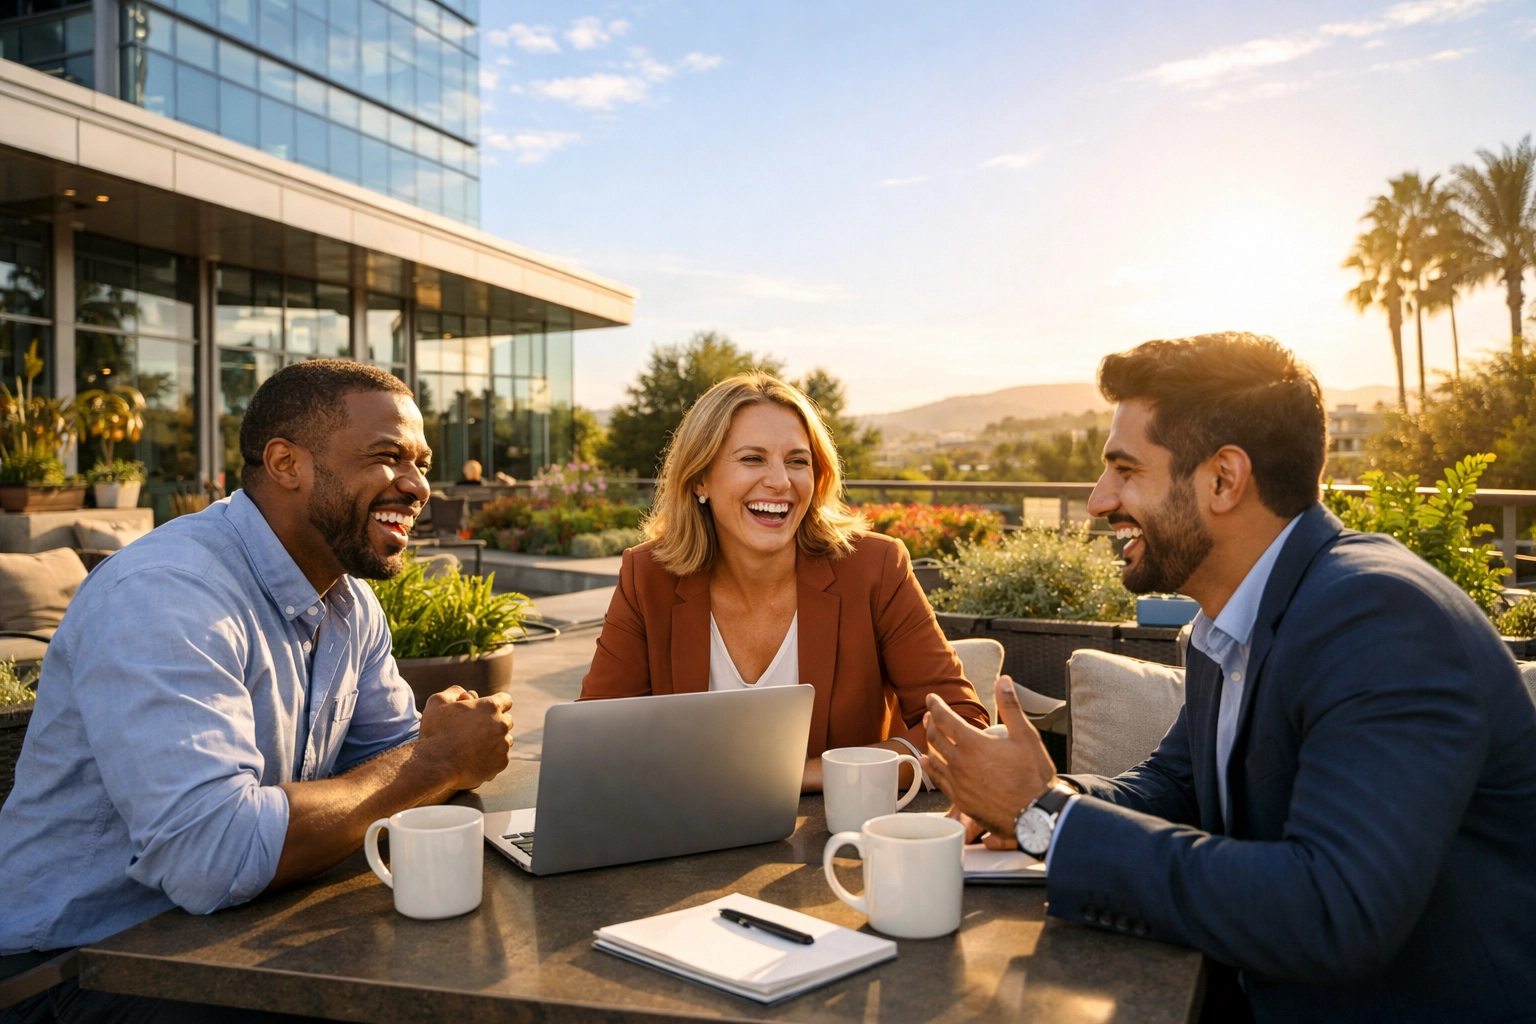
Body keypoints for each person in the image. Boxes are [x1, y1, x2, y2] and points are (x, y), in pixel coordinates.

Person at [921, 333, 1536, 1023]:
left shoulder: (1379, 620)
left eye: (1125, 470)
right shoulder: (1230, 623)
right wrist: (1045, 794)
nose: (1098, 500)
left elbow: (1334, 911)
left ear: (1223, 479)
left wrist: (1049, 821)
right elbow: (1175, 785)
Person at [0, 360, 515, 1022]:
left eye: (421, 463)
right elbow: (215, 856)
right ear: (285, 463)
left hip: (230, 932)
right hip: (74, 968)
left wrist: (435, 753)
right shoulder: (167, 595)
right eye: (388, 458)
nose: (418, 487)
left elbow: (394, 761)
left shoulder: (350, 604)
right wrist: (438, 759)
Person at [579, 373, 988, 791]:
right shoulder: (648, 576)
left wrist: (796, 776)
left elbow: (961, 727)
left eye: (797, 461)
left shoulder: (875, 568)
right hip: (690, 839)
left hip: (837, 839)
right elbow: (592, 742)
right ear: (700, 478)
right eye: (752, 459)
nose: (780, 481)